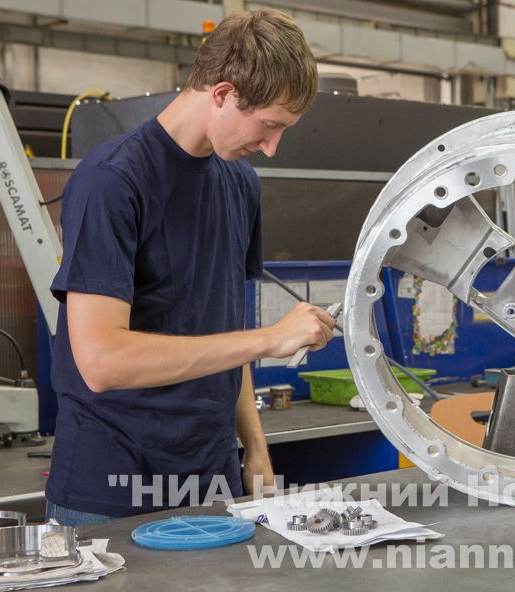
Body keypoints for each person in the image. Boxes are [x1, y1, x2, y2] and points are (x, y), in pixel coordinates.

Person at [45, 7, 334, 526]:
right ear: (222, 93)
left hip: (212, 476)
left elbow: (226, 330)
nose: (271, 147)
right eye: (269, 125)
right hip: (113, 486)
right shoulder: (112, 180)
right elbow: (101, 361)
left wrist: (256, 448)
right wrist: (269, 339)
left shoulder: (240, 183)